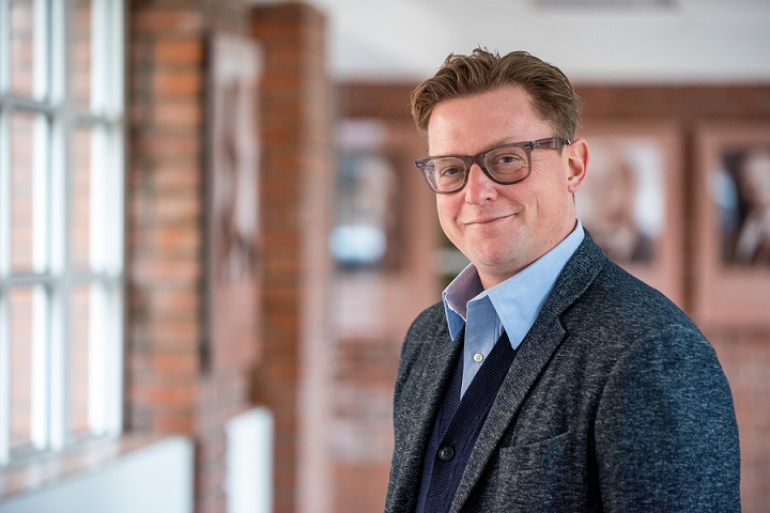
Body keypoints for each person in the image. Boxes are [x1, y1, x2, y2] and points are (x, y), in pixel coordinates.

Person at [384, 48, 740, 513]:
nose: (476, 192)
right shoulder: (426, 337)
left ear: (574, 167)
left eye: (507, 159)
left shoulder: (652, 350)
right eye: (451, 169)